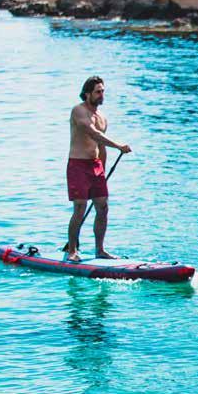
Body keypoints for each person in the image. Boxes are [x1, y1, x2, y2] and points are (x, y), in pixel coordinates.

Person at [66, 76, 131, 262]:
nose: (101, 95)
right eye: (98, 92)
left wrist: (102, 169)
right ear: (87, 94)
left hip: (95, 166)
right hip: (78, 165)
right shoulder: (78, 111)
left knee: (102, 207)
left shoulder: (102, 118)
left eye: (103, 91)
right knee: (80, 208)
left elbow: (101, 146)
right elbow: (93, 134)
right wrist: (119, 146)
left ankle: (100, 250)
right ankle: (72, 250)